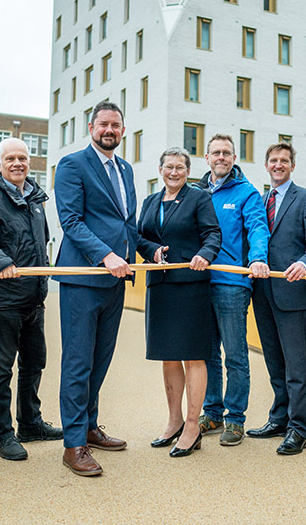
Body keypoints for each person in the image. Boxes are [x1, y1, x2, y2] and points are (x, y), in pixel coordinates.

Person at [52, 102, 138, 477]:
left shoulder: (126, 169)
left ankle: (89, 426)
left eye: (115, 125)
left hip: (116, 280)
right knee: (78, 363)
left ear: (123, 130)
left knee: (100, 361)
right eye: (103, 124)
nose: (109, 130)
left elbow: (127, 224)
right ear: (91, 127)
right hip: (83, 279)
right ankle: (74, 445)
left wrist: (150, 250)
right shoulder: (72, 165)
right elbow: (71, 220)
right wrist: (105, 255)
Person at [0, 137, 62, 463]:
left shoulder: (35, 200)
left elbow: (40, 244)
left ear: (29, 162)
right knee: (1, 369)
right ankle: (1, 434)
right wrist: (0, 260)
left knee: (34, 363)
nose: (18, 163)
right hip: (4, 300)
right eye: (11, 159)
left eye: (22, 158)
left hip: (34, 298)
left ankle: (30, 424)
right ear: (0, 163)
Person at [136, 147, 222, 458]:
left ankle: (192, 426)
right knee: (168, 356)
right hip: (160, 286)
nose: (174, 172)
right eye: (169, 167)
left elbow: (213, 234)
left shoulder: (198, 198)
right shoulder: (150, 201)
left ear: (188, 171)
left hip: (190, 285)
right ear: (160, 169)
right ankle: (174, 421)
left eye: (180, 168)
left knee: (193, 356)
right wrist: (153, 251)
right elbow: (138, 236)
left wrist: (204, 255)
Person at [247, 143, 306, 455]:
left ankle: (298, 429)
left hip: (293, 293)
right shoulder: (259, 200)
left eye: (284, 161)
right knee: (274, 362)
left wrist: (305, 263)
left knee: (296, 366)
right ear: (266, 165)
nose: (278, 165)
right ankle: (279, 418)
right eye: (273, 161)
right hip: (262, 292)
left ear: (293, 165)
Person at [195, 134, 270, 447]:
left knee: (235, 355)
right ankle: (212, 412)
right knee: (207, 353)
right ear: (207, 157)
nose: (221, 157)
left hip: (232, 284)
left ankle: (235, 418)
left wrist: (258, 258)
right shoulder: (196, 191)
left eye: (227, 153)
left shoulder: (246, 192)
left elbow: (258, 228)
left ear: (234, 158)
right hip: (199, 283)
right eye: (216, 152)